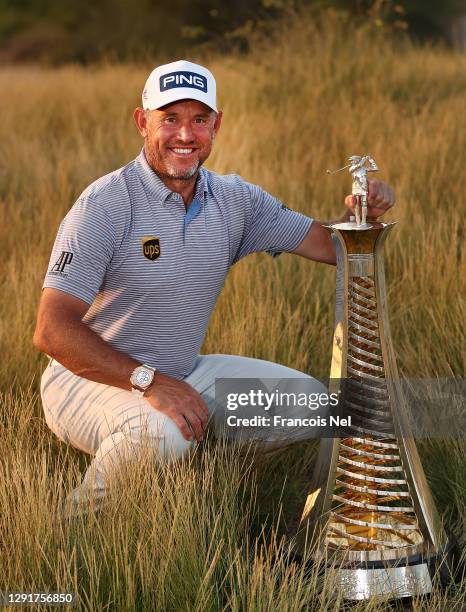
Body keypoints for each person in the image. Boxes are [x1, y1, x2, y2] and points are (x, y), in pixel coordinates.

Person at [33, 60, 395, 517]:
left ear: (216, 125)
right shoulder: (105, 205)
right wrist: (148, 382)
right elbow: (51, 330)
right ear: (142, 121)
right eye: (170, 119)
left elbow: (330, 246)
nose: (185, 135)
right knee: (161, 431)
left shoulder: (235, 200)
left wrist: (367, 216)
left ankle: (196, 491)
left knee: (308, 405)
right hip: (84, 380)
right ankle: (74, 530)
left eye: (199, 120)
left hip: (181, 372)